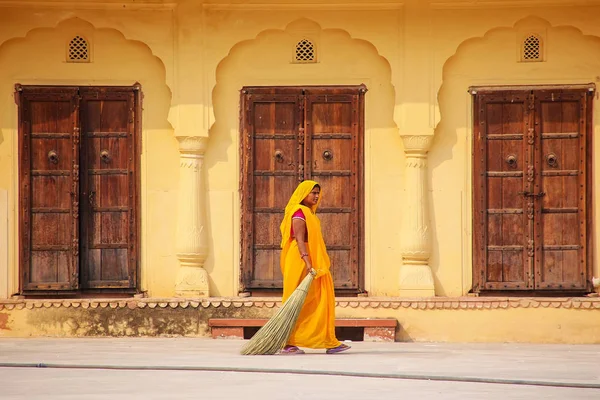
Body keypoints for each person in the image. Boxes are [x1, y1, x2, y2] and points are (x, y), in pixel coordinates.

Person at [278, 180, 351, 355]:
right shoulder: (298, 212)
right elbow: (299, 239)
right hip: (300, 260)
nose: (317, 196)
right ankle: (287, 343)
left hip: (310, 259)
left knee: (320, 298)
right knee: (295, 300)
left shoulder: (310, 214)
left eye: (318, 193)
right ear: (304, 194)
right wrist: (309, 263)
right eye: (313, 193)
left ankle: (327, 340)